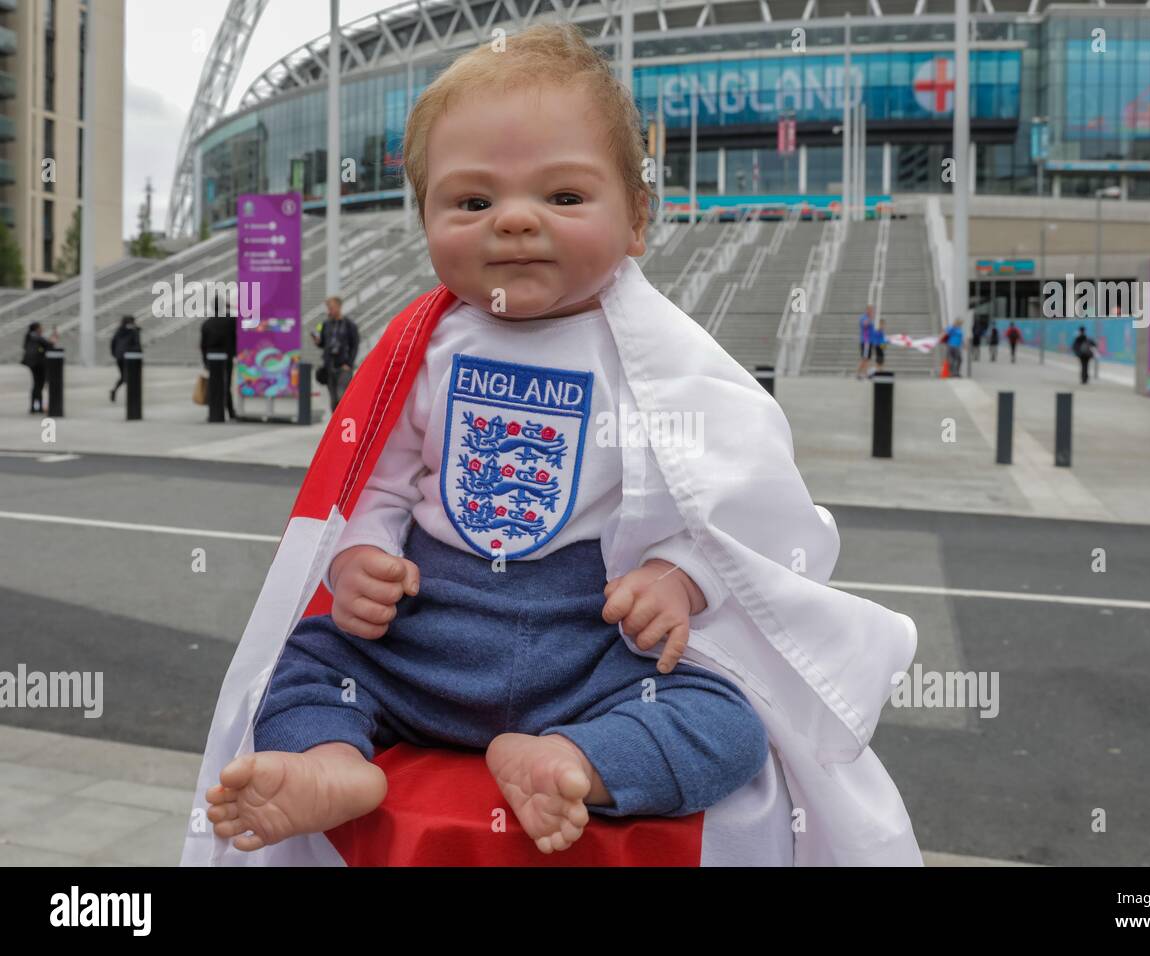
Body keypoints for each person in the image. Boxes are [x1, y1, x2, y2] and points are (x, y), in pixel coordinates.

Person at [200, 23, 919, 865]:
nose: (512, 220)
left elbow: (740, 506)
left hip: (593, 649)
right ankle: (328, 758)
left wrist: (679, 577)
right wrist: (358, 555)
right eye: (472, 202)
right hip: (433, 629)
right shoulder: (420, 353)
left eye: (564, 197)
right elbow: (378, 484)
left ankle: (571, 759)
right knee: (312, 657)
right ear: (425, 218)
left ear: (638, 219)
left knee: (728, 726)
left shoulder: (672, 365)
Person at [199, 292, 239, 419]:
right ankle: (231, 412)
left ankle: (214, 412)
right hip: (227, 357)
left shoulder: (207, 323)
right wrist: (231, 307)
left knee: (214, 385)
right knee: (226, 385)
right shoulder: (230, 321)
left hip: (212, 358)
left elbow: (203, 345)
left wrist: (205, 362)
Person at [317, 296, 359, 411]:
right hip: (330, 366)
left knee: (342, 396)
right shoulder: (326, 324)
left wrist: (349, 364)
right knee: (333, 398)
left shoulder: (349, 325)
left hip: (343, 366)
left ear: (339, 307)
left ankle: (343, 423)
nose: (329, 310)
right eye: (328, 308)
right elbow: (323, 344)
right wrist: (318, 342)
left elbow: (354, 345)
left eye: (331, 307)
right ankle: (334, 425)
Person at [20, 322, 59, 414]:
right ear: (37, 328)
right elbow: (49, 345)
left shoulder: (29, 336)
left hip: (32, 363)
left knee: (36, 384)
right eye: (40, 327)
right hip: (38, 364)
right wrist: (54, 339)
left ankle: (34, 407)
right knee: (39, 385)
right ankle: (38, 407)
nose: (42, 329)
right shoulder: (37, 337)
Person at [109, 315, 142, 403]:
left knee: (124, 376)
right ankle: (132, 396)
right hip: (130, 357)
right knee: (129, 377)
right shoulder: (133, 331)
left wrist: (114, 353)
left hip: (119, 356)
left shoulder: (119, 331)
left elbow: (113, 342)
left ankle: (115, 391)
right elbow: (137, 344)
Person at [855, 306, 875, 380]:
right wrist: (870, 318)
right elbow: (865, 324)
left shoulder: (869, 318)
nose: (872, 312)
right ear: (867, 310)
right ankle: (858, 373)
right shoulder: (864, 317)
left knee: (867, 359)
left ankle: (865, 374)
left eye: (872, 310)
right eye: (870, 310)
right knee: (864, 358)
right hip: (865, 341)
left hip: (869, 341)